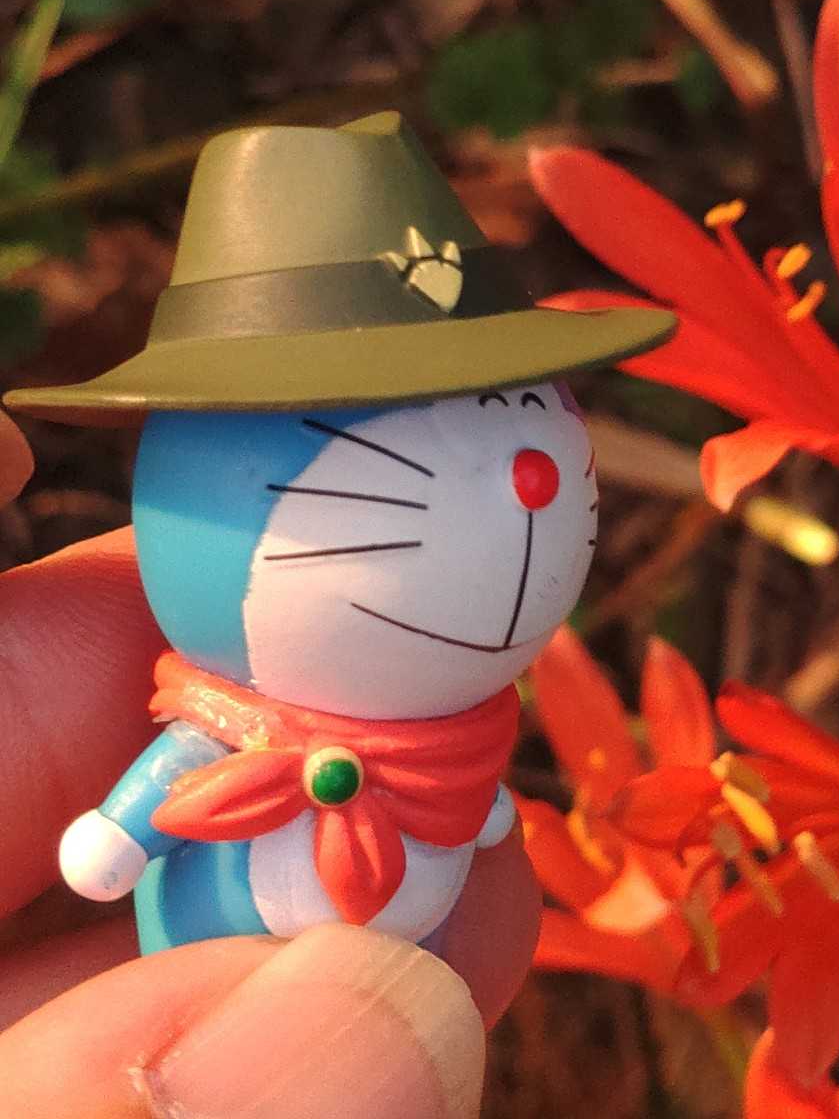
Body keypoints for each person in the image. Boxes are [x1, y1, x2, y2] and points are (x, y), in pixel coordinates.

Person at [0, 410, 541, 1118]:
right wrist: (122, 830)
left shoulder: (458, 738)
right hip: (212, 957)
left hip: (411, 957)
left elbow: (462, 793)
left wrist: (477, 802)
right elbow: (182, 766)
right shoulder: (225, 727)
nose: (533, 485)